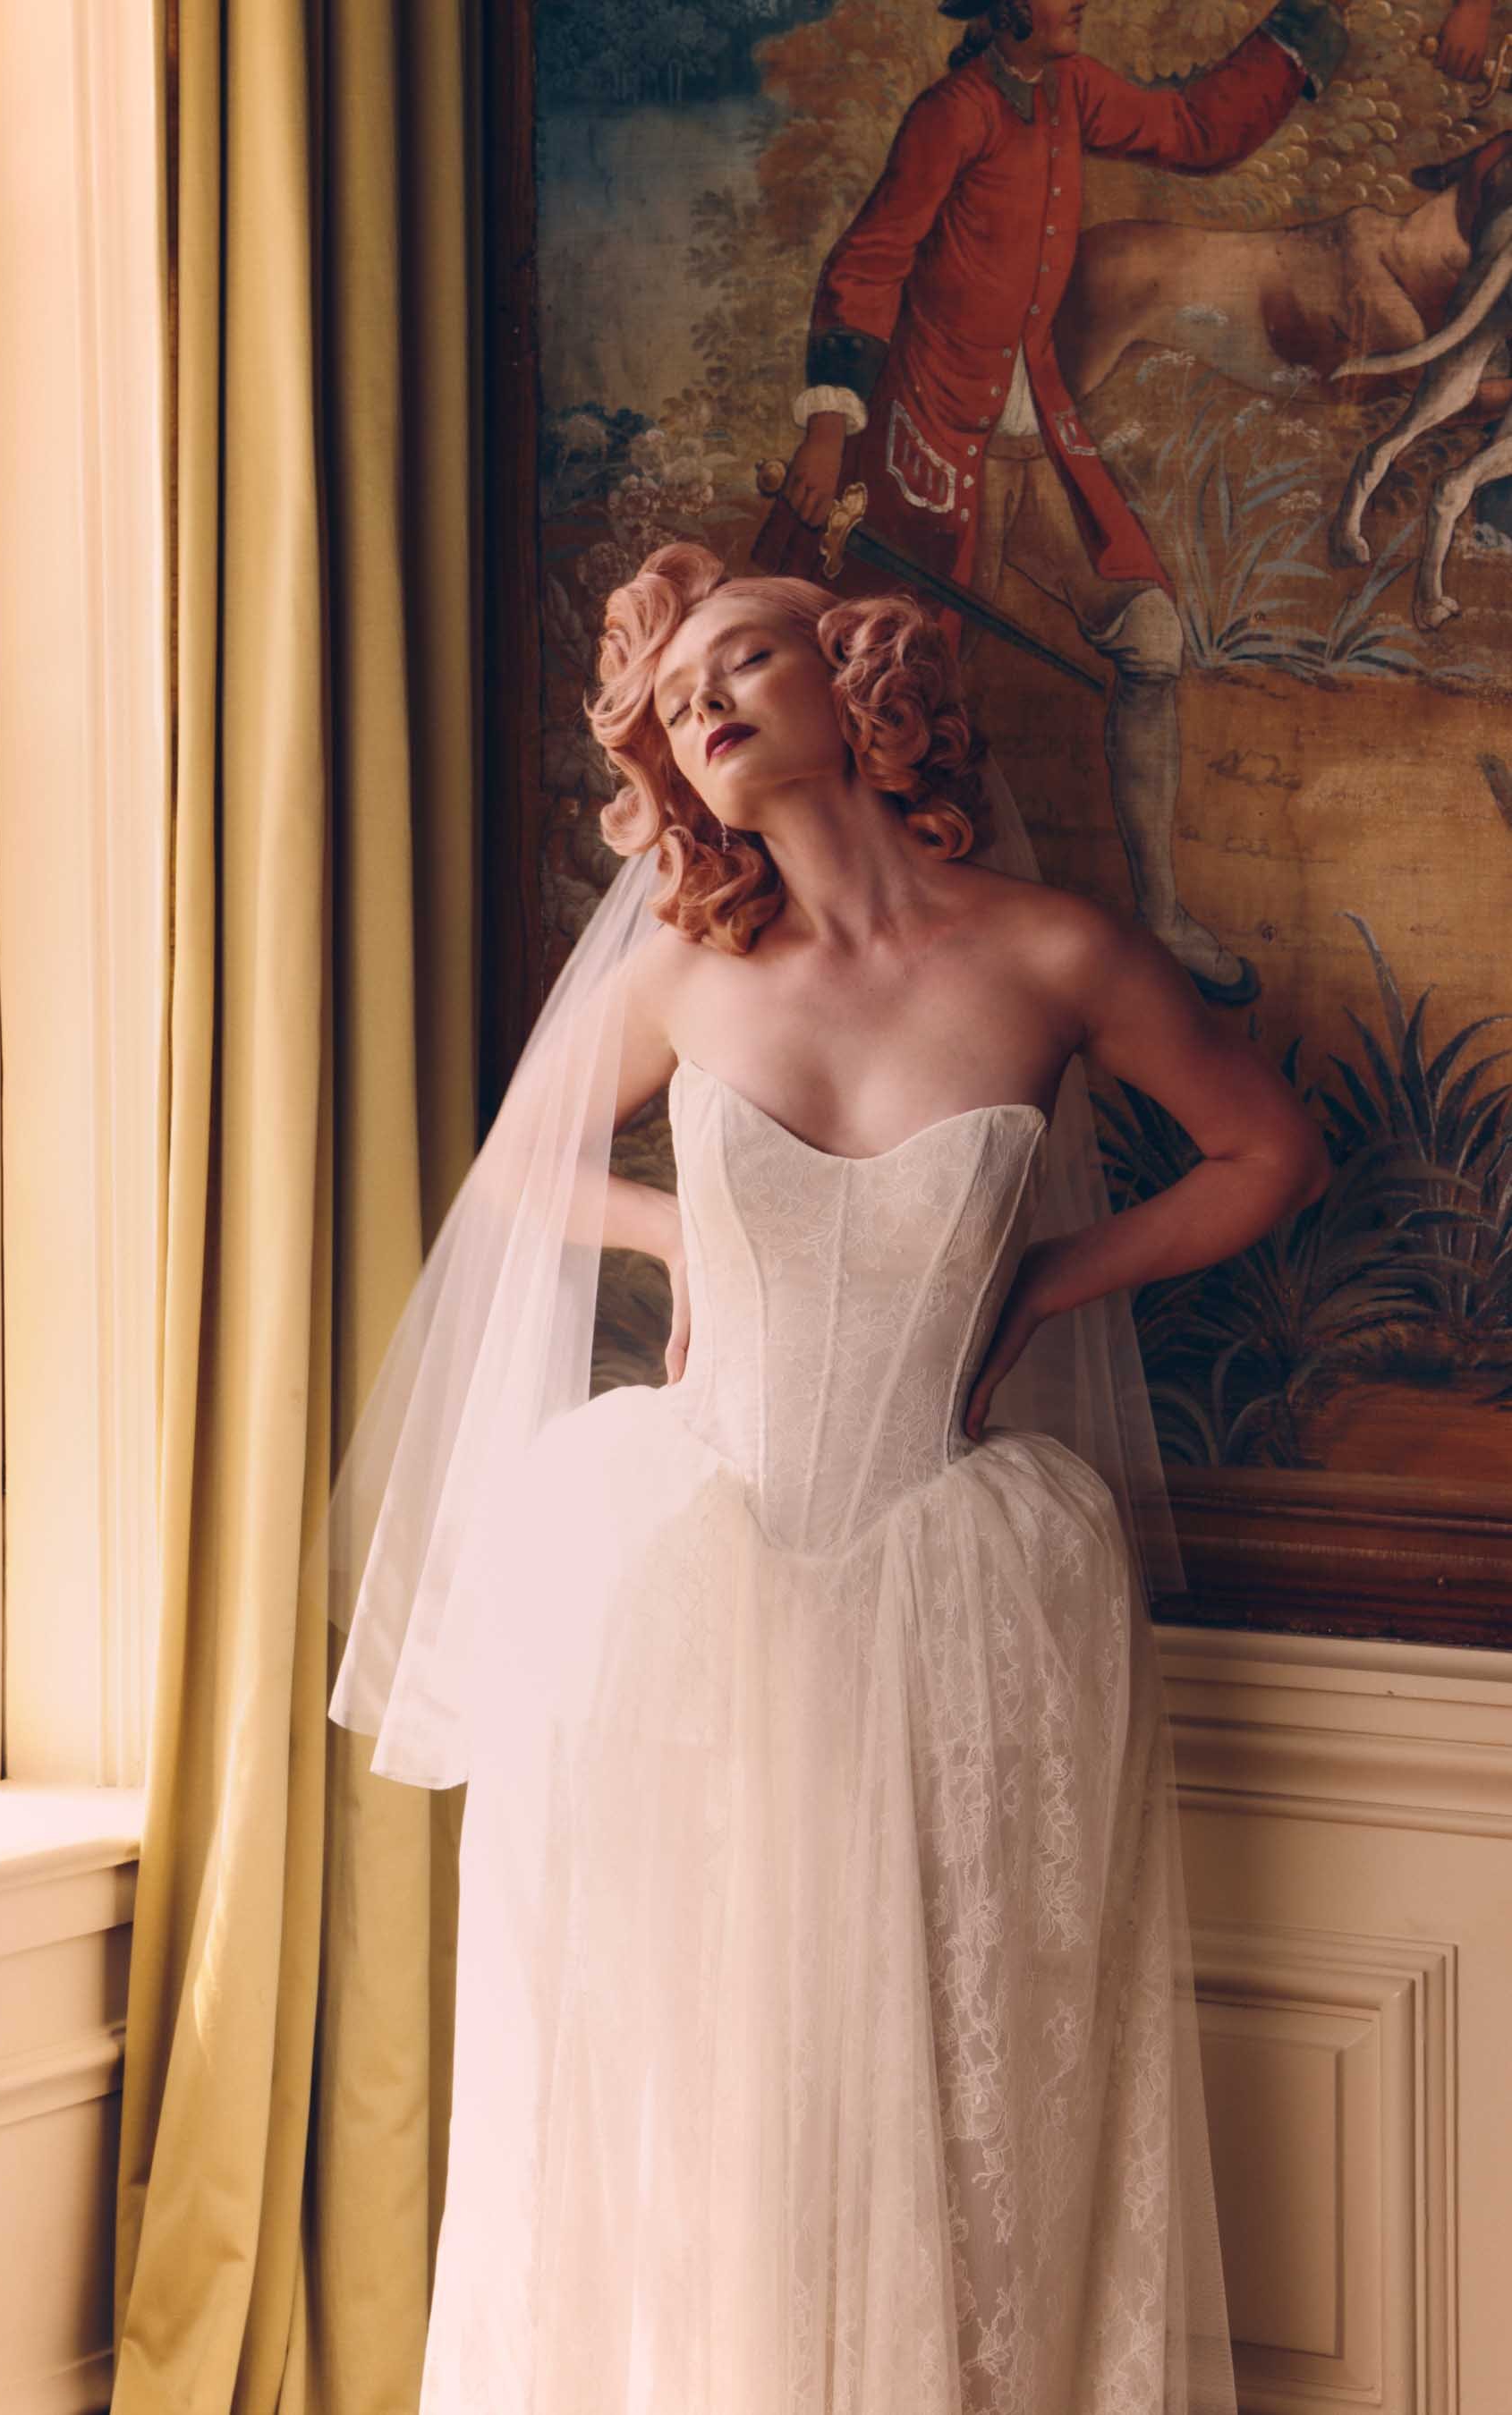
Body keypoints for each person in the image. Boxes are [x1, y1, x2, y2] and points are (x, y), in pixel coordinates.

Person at [326, 545, 1329, 2412]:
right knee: (693, 2068)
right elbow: (515, 1167)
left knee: (959, 2076)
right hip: (685, 1584)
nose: (702, 708)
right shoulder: (693, 978)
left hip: (954, 1582)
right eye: (676, 698)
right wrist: (678, 1239)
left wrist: (1044, 1279)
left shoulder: (1049, 951)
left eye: (745, 658)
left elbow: (1266, 1148)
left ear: (854, 677)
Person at [779, 0, 1350, 1008]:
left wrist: (1300, 29)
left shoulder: (1071, 90)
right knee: (903, 700)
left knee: (1152, 634)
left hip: (1032, 432)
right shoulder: (952, 113)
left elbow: (1194, 129)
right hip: (927, 446)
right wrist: (829, 426)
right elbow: (870, 261)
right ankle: (878, 957)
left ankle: (1162, 917)